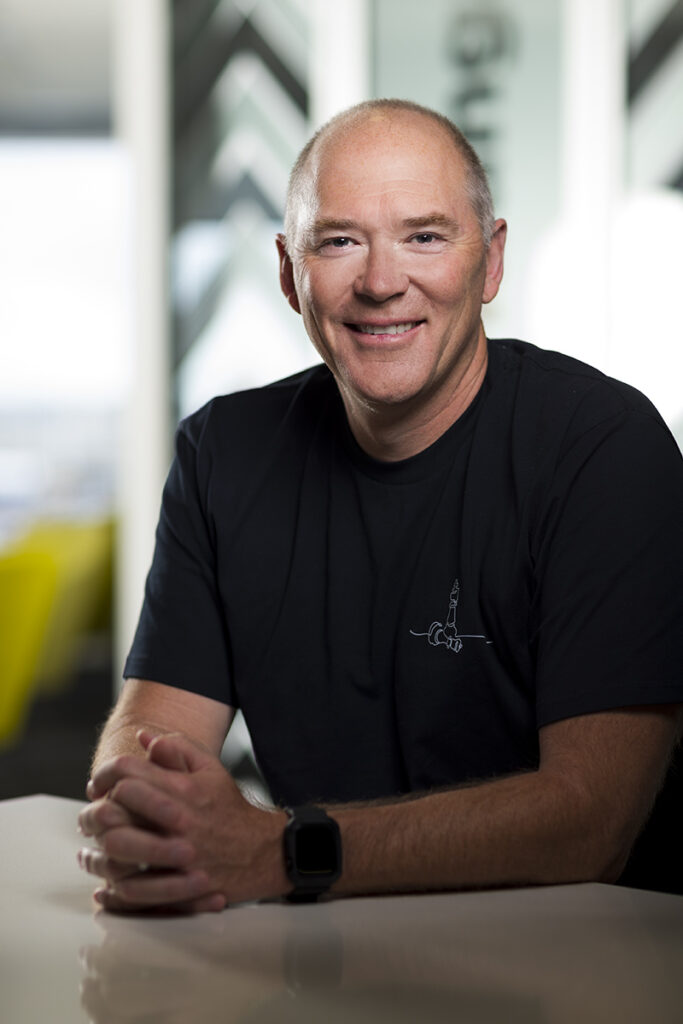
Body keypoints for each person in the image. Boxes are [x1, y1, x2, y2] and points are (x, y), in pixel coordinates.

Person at [78, 99, 683, 913]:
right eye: (338, 241)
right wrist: (151, 817)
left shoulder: (602, 449)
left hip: (583, 962)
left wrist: (286, 851)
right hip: (324, 958)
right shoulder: (222, 455)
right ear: (291, 275)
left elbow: (590, 822)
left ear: (490, 261)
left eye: (424, 236)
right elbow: (148, 751)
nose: (380, 281)